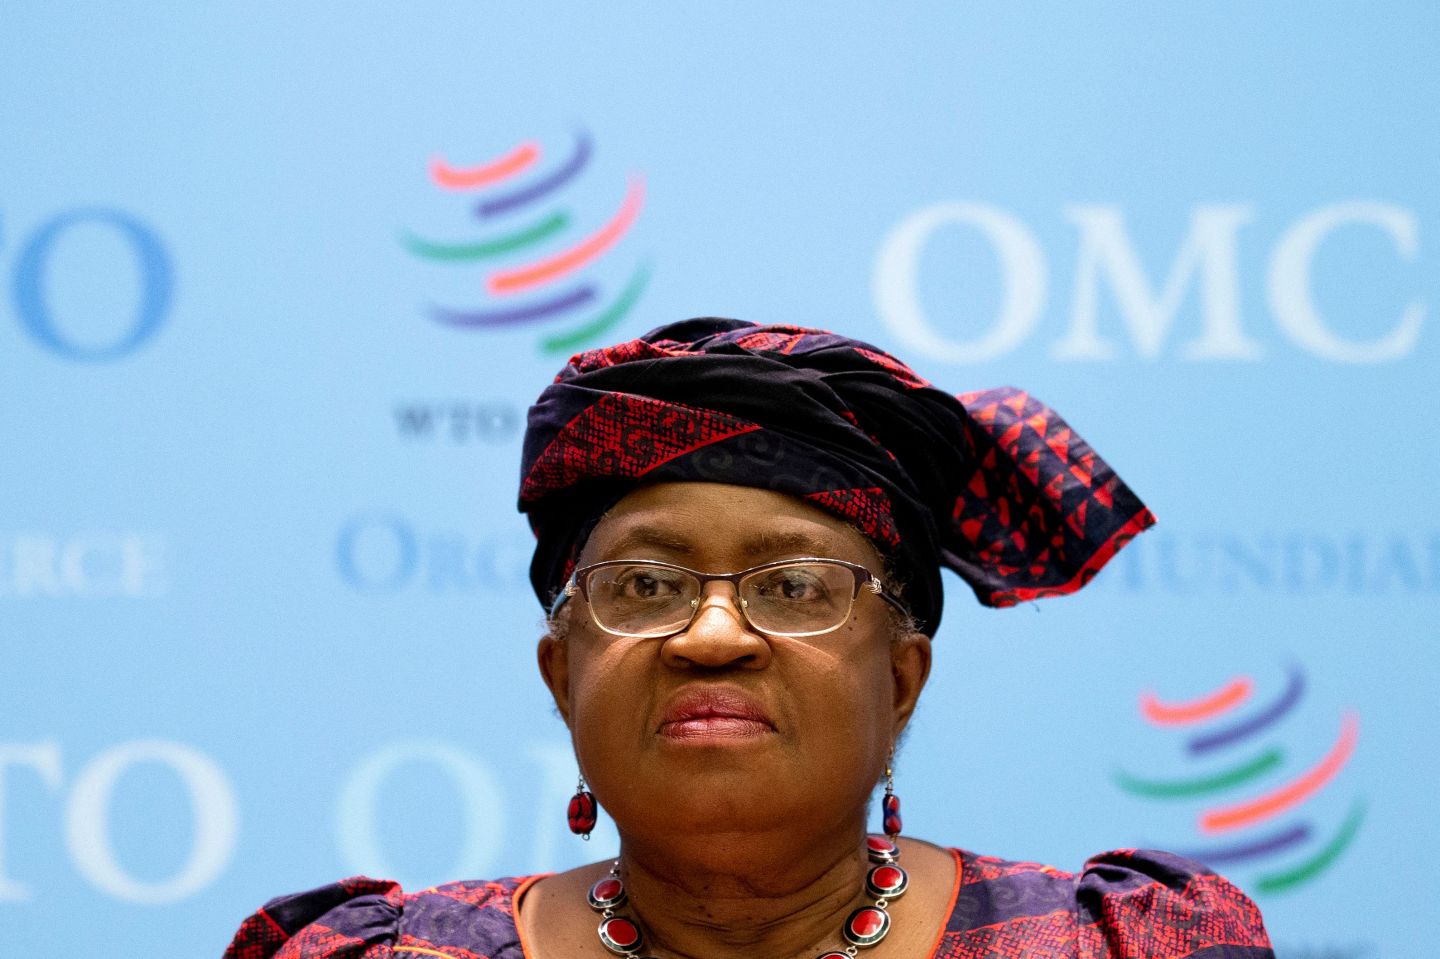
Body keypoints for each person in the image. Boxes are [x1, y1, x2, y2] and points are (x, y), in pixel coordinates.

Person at [224, 318, 1273, 959]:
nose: (714, 633)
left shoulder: (1117, 945)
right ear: (561, 673)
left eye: (795, 586)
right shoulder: (375, 953)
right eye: (646, 584)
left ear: (901, 678)